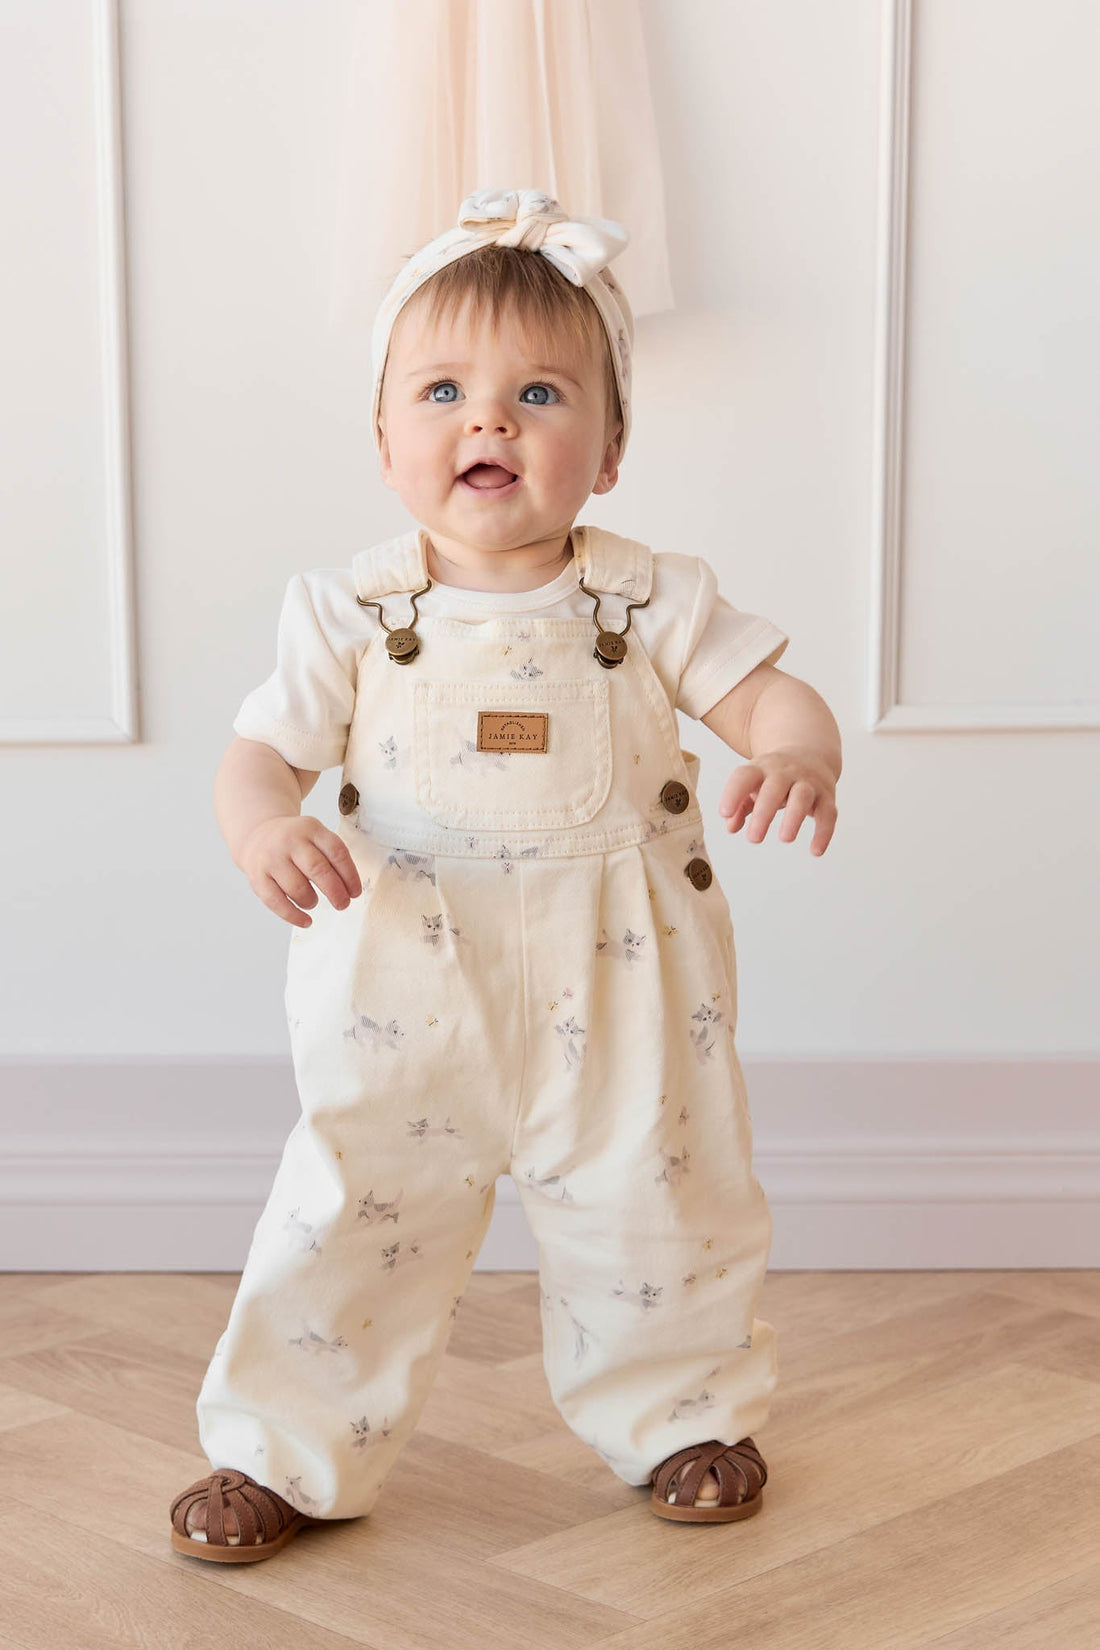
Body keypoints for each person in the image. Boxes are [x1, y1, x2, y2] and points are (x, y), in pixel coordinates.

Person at [169, 187, 842, 1562]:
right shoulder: (349, 614)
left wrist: (798, 752)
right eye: (443, 392)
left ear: (609, 449)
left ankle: (683, 1418)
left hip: (628, 992)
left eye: (540, 393)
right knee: (353, 1213)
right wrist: (262, 830)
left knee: (659, 1199)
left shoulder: (652, 600)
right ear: (383, 440)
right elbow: (256, 759)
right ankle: (281, 1452)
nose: (490, 423)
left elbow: (774, 695)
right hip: (403, 995)